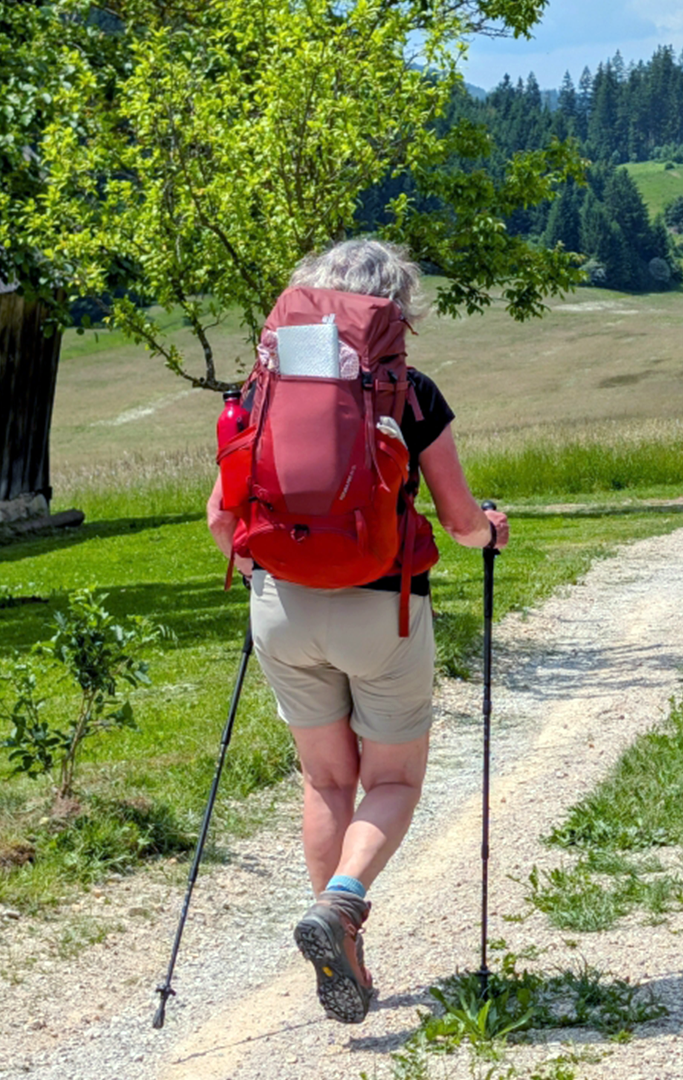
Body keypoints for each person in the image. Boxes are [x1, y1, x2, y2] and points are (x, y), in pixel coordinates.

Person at [205, 238, 509, 1025]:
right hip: (383, 607)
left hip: (281, 606)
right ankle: (342, 905)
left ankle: (340, 941)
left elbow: (221, 520)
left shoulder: (262, 387)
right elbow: (460, 521)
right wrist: (491, 532)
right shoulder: (410, 393)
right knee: (395, 781)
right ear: (392, 311)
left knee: (326, 781)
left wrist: (273, 572)